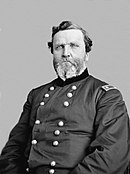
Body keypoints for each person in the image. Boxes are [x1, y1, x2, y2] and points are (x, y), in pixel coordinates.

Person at [0, 21, 130, 174]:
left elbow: (111, 156)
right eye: (59, 47)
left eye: (74, 46)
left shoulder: (106, 95)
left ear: (87, 53)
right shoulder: (36, 94)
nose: (65, 53)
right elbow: (13, 149)